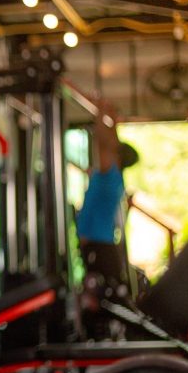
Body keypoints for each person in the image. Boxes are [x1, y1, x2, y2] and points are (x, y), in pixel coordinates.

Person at [76, 99, 140, 340]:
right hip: (100, 243)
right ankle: (107, 333)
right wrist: (110, 120)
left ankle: (106, 334)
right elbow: (109, 144)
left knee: (103, 293)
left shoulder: (110, 174)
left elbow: (106, 144)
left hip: (98, 243)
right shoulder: (112, 178)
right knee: (106, 290)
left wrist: (103, 115)